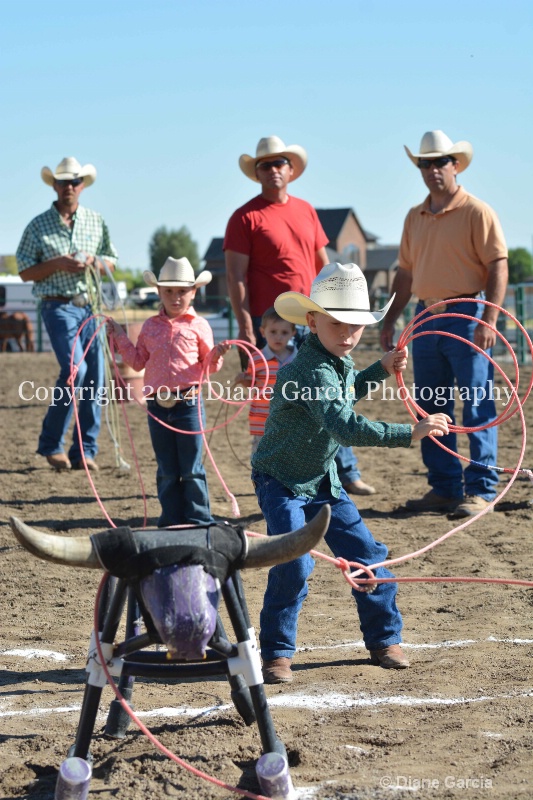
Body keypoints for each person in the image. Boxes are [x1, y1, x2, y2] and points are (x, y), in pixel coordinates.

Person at [251, 262, 451, 683]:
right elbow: (344, 425)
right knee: (293, 561)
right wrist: (409, 432)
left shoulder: (333, 360)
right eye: (338, 323)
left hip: (323, 480)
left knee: (368, 556)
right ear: (312, 320)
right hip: (282, 482)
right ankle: (277, 652)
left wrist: (379, 368)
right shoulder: (308, 369)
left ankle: (383, 639)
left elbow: (345, 394)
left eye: (355, 326)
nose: (347, 334)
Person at [224, 135, 375, 496]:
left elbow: (326, 266)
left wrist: (340, 308)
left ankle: (346, 470)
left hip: (316, 321)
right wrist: (246, 325)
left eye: (279, 163)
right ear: (256, 172)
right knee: (280, 402)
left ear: (291, 170)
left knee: (335, 392)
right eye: (266, 164)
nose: (273, 170)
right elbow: (234, 276)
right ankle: (280, 474)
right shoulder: (245, 217)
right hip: (273, 325)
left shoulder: (306, 211)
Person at [380, 131, 508, 519]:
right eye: (425, 163)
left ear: (455, 165)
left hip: (468, 316)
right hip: (425, 319)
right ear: (419, 168)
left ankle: (481, 488)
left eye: (440, 162)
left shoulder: (476, 211)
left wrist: (489, 318)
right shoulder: (414, 217)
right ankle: (445, 486)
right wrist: (390, 318)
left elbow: (497, 265)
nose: (433, 169)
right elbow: (405, 273)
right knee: (430, 406)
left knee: (476, 402)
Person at [107, 257, 230, 527]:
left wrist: (217, 355)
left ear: (193, 292)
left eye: (182, 291)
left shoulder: (199, 326)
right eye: (169, 291)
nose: (176, 297)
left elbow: (208, 367)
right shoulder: (150, 326)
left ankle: (199, 519)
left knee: (192, 467)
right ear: (159, 293)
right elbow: (138, 361)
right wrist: (118, 335)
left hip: (188, 404)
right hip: (157, 406)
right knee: (166, 468)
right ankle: (172, 519)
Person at [16, 157, 118, 471]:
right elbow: (24, 270)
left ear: (82, 185)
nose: (69, 187)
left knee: (96, 377)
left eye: (74, 182)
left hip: (91, 306)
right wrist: (58, 263)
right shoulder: (37, 225)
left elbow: (111, 260)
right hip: (57, 305)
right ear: (55, 186)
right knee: (77, 370)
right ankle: (52, 442)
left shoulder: (95, 220)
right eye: (63, 182)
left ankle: (84, 450)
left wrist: (93, 261)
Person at [234, 307, 298, 456]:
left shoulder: (299, 360)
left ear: (293, 334)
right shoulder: (256, 359)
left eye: (284, 333)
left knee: (290, 461)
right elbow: (252, 385)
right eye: (273, 332)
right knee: (262, 461)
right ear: (263, 332)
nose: (278, 337)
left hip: (292, 423)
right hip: (263, 423)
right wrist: (243, 380)